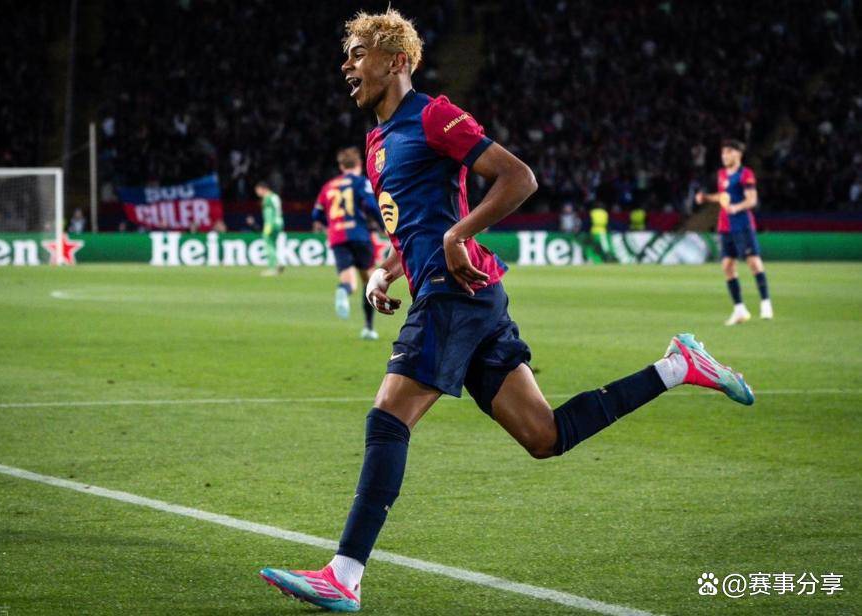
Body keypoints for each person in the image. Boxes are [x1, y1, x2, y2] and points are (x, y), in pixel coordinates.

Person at [259, 9, 755, 612]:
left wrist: (457, 236)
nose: (347, 64)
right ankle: (678, 367)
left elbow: (519, 178)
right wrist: (387, 270)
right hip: (464, 292)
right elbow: (417, 224)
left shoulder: (434, 115)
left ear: (396, 61)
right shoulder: (377, 141)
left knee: (388, 417)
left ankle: (344, 574)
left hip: (453, 290)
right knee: (545, 436)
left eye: (359, 53)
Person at [696, 139, 773, 325]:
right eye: (723, 152)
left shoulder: (745, 174)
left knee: (753, 262)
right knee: (727, 266)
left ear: (738, 154)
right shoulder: (721, 174)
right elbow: (723, 196)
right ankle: (739, 310)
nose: (724, 156)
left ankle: (765, 303)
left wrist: (736, 208)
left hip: (742, 224)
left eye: (728, 152)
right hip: (725, 226)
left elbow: (752, 200)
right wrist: (706, 198)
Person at [313, 147, 384, 339]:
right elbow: (371, 206)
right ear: (359, 164)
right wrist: (383, 225)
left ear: (341, 166)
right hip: (360, 235)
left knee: (349, 283)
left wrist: (332, 224)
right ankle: (368, 328)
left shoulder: (328, 186)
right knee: (369, 282)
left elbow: (316, 214)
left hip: (337, 237)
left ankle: (343, 291)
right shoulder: (361, 182)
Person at [256, 181, 284, 276]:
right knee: (273, 245)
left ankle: (273, 266)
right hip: (280, 222)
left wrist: (268, 226)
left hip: (271, 223)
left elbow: (269, 213)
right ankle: (277, 263)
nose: (257, 193)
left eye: (258, 190)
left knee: (268, 244)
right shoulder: (275, 196)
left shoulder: (267, 198)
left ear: (263, 189)